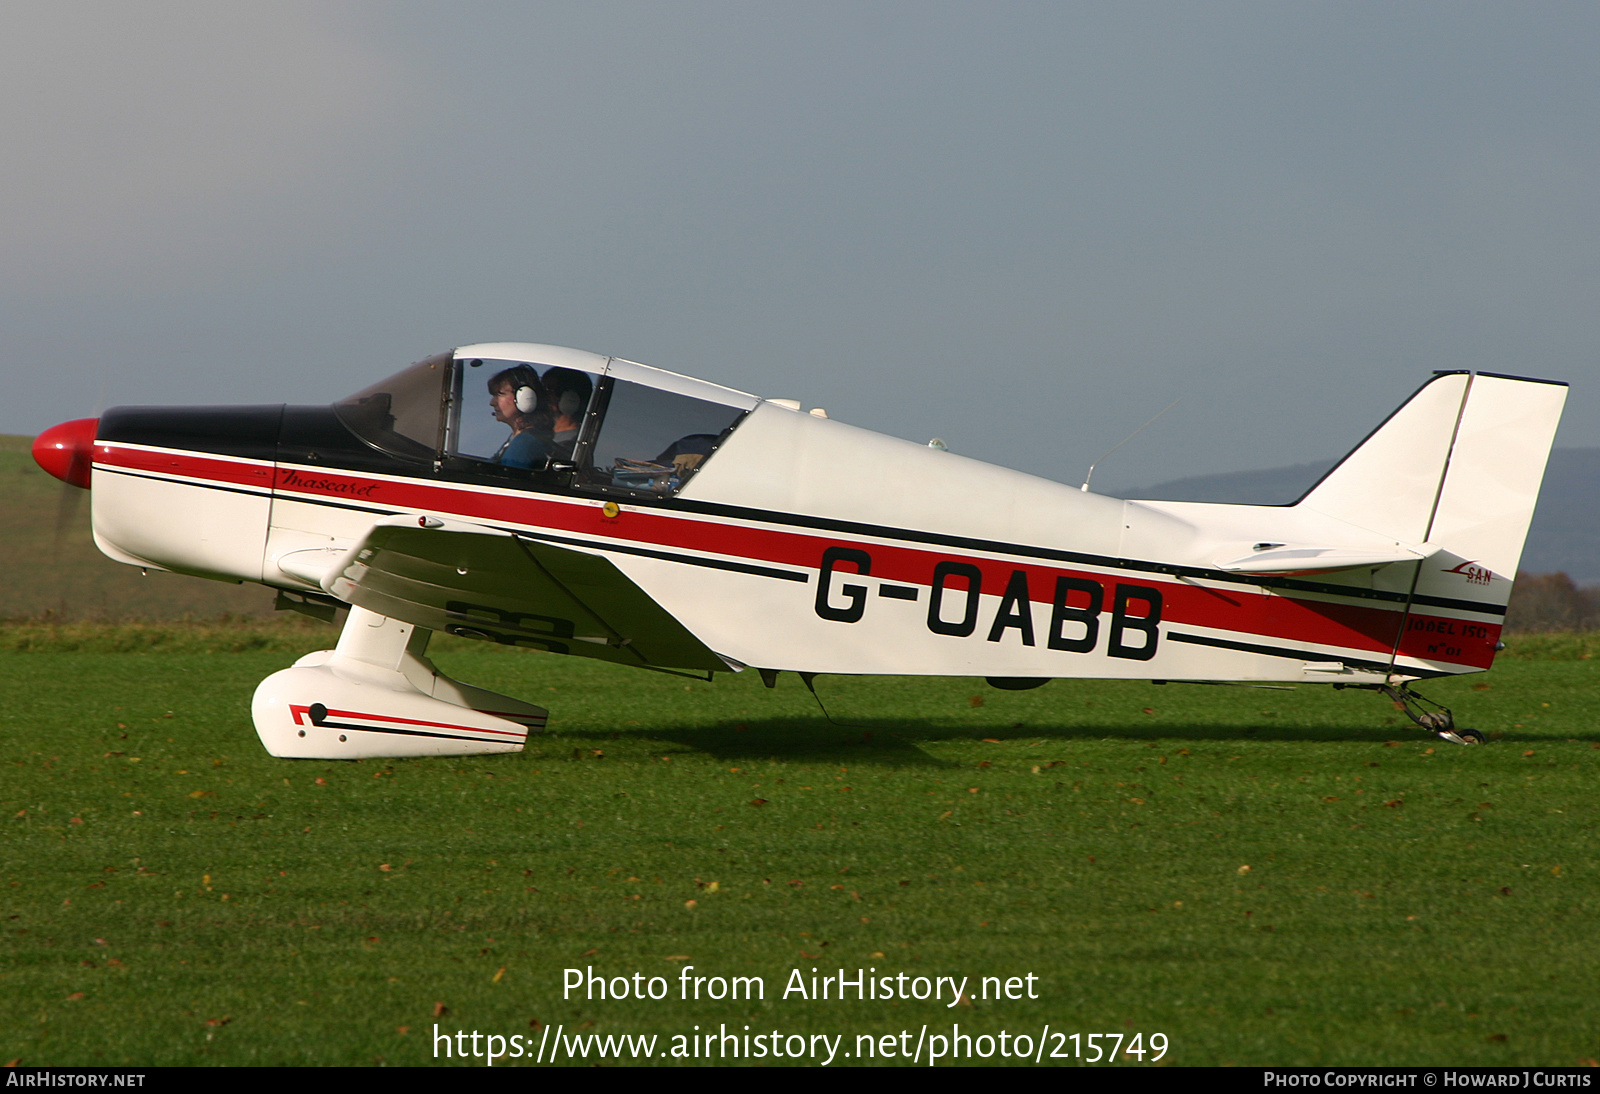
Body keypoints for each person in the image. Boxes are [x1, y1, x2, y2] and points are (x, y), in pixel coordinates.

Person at [486, 366, 550, 468]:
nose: (492, 402)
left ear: (524, 397)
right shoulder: (515, 441)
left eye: (500, 394)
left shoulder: (524, 442)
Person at [538, 367, 593, 461]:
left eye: (549, 389)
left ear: (569, 397)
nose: (543, 395)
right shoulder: (538, 433)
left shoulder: (575, 444)